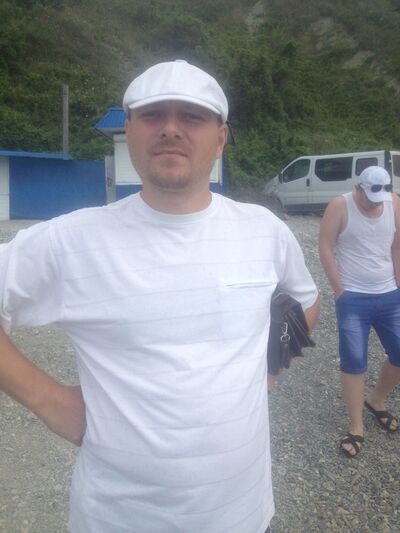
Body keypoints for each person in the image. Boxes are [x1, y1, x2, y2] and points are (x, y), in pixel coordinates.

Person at [0, 59, 319, 533]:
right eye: (152, 115)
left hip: (245, 515)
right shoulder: (72, 241)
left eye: (191, 116)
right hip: (117, 519)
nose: (171, 128)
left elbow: (305, 298)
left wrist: (270, 367)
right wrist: (50, 401)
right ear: (129, 131)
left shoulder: (264, 231)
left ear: (220, 138)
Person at [319, 165, 400, 458]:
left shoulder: (394, 203)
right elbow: (325, 246)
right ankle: (356, 426)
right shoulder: (340, 206)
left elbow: (397, 246)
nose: (375, 203)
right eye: (369, 198)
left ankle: (376, 399)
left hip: (390, 293)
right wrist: (339, 290)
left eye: (380, 198)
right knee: (354, 361)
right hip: (353, 296)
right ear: (359, 188)